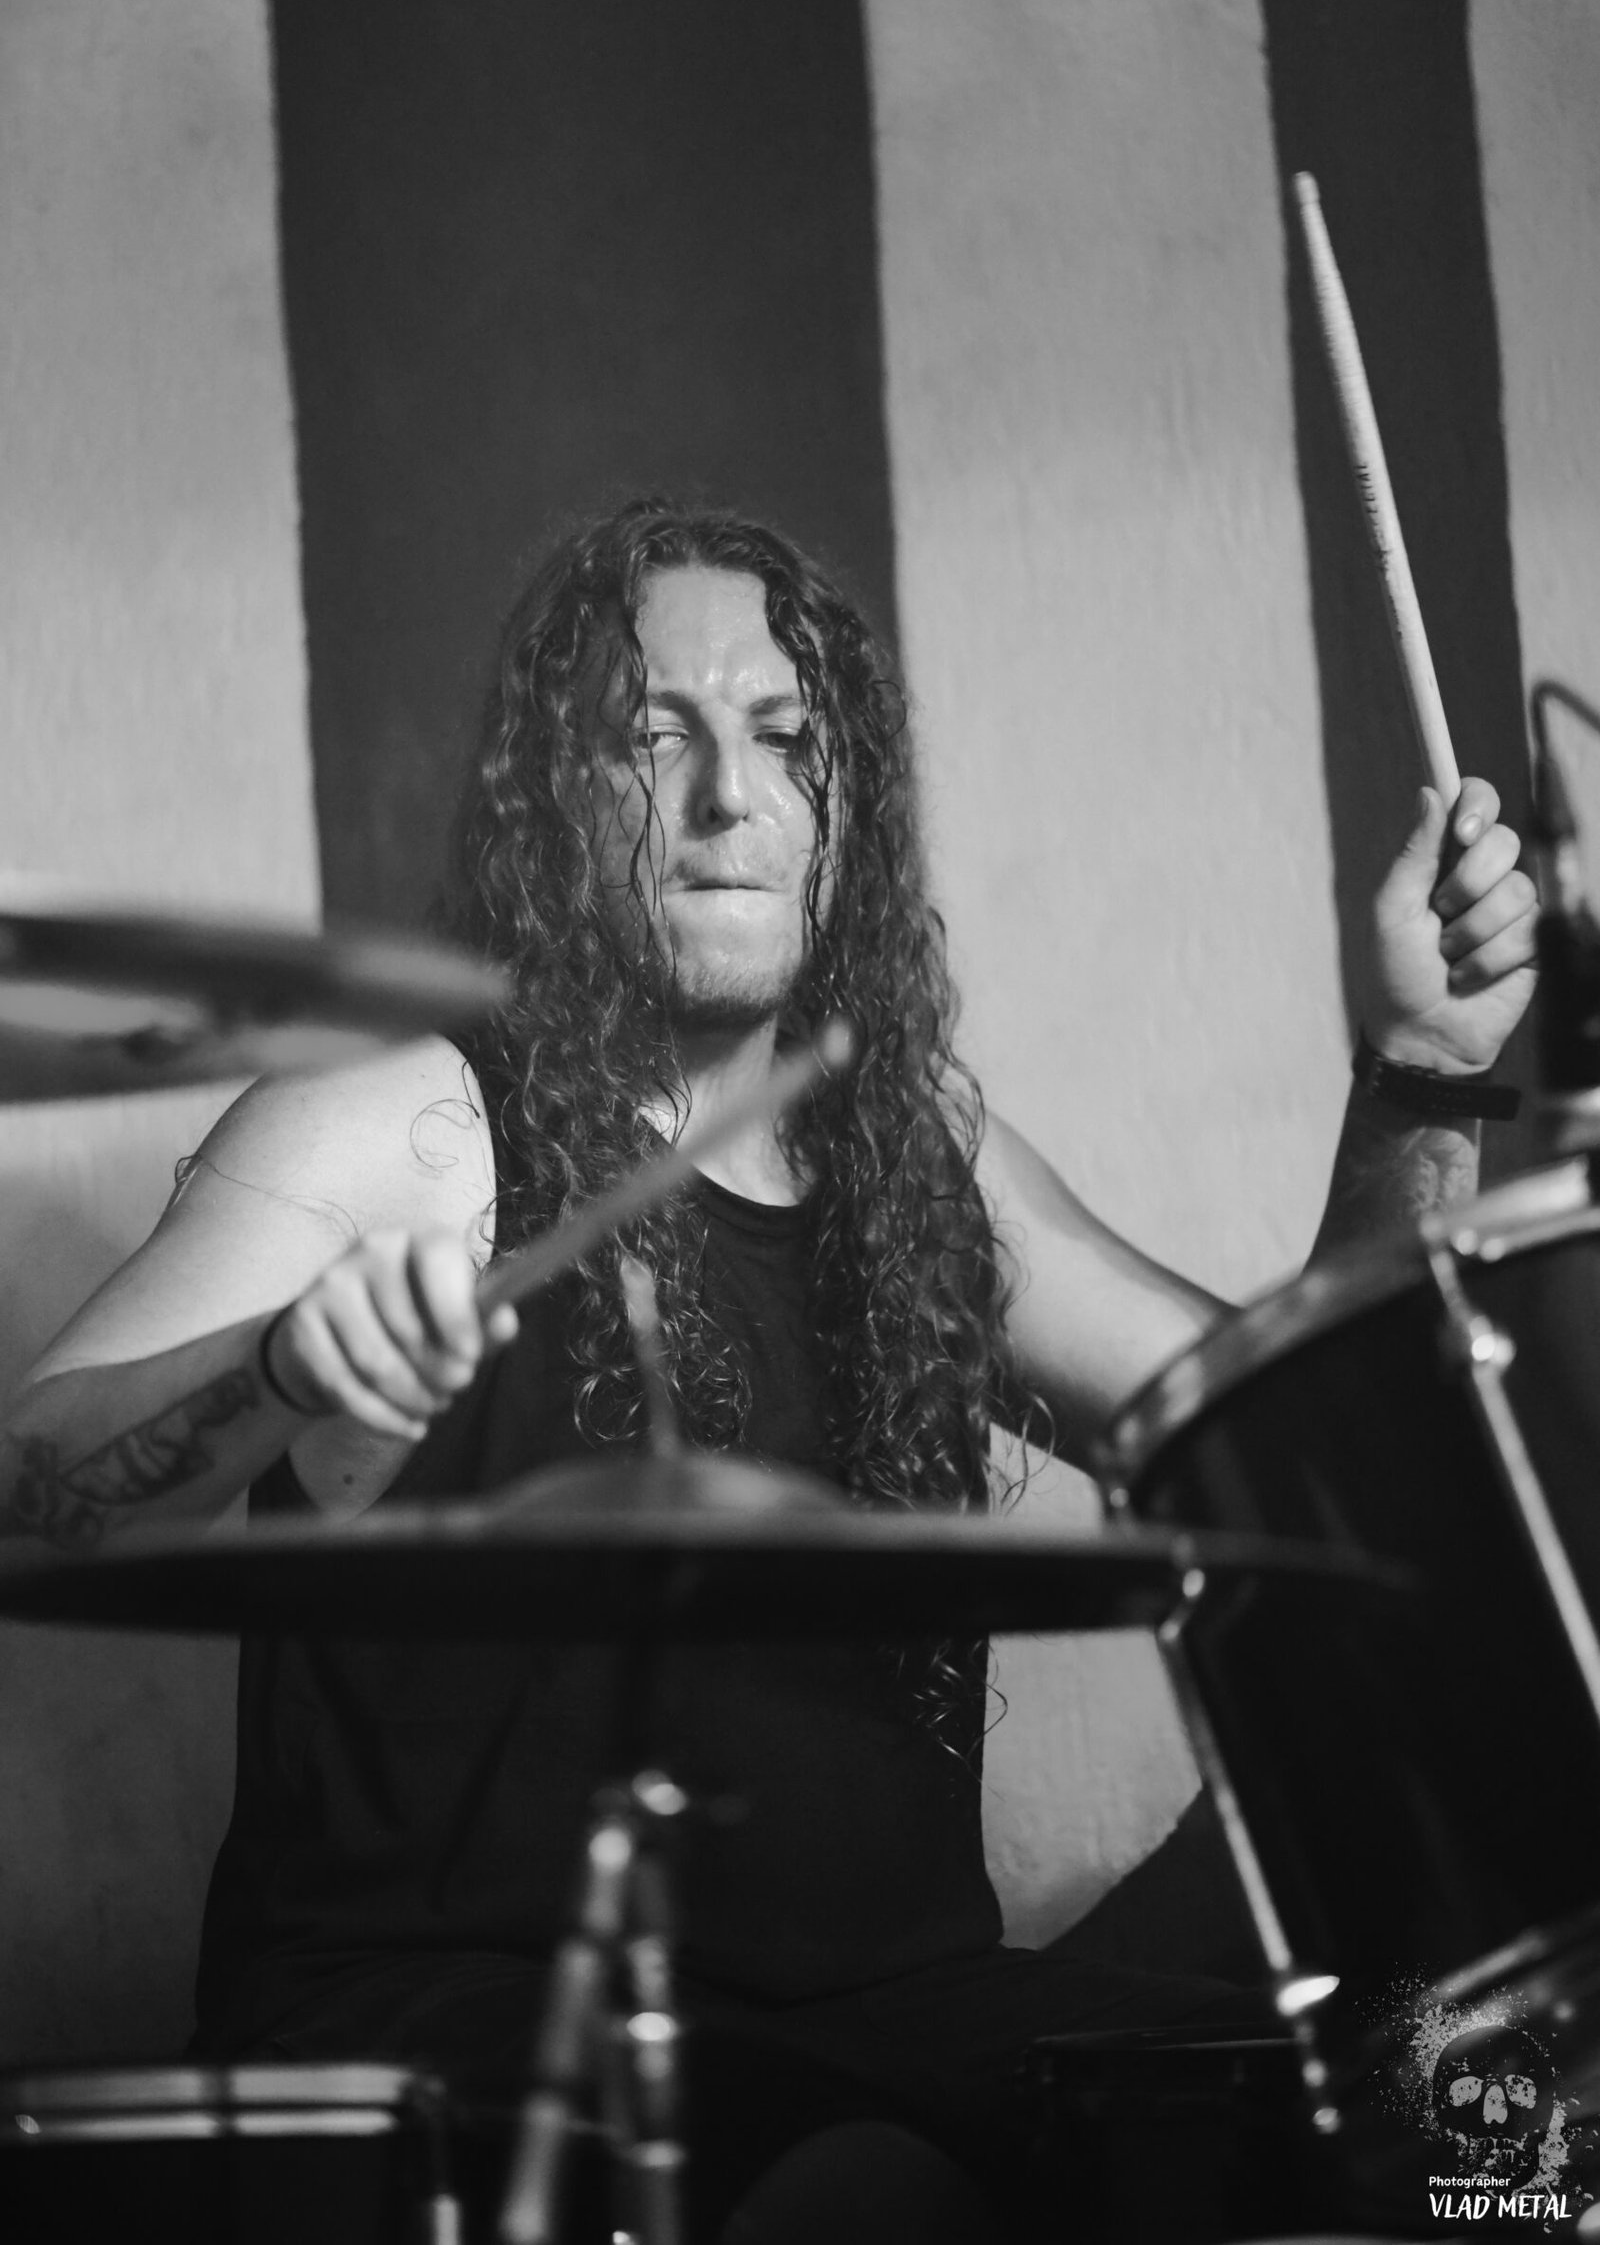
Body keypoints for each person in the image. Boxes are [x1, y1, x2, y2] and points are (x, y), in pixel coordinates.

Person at [0, 499, 1537, 2239]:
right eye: (652, 737)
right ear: (551, 800)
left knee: (1445, 2116)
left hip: (903, 2021)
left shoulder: (916, 1166)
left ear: (844, 806)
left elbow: (1304, 1447)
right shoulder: (403, 1125)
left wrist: (1424, 1077)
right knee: (871, 2200)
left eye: (786, 736)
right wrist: (278, 1368)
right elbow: (31, 1482)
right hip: (462, 2029)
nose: (729, 793)